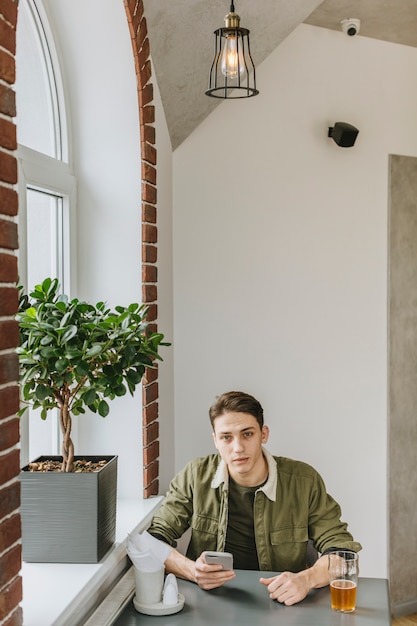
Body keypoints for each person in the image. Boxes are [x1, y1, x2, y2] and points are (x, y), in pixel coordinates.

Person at [148, 391, 362, 606]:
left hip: (284, 604)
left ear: (264, 434)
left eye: (247, 434)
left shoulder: (304, 480)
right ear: (215, 440)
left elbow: (343, 553)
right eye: (226, 437)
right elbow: (153, 541)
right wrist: (193, 571)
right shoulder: (194, 476)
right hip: (210, 603)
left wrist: (306, 580)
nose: (238, 447)